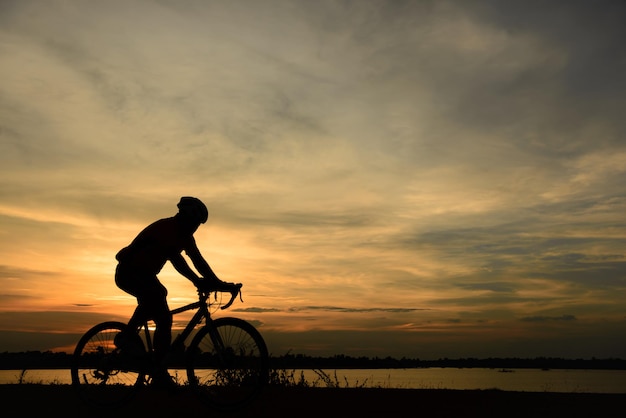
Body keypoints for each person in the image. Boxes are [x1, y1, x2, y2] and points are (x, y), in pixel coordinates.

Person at [114, 196, 232, 387]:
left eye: (198, 226)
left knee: (161, 309)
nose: (195, 228)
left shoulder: (185, 236)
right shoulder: (167, 228)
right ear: (186, 217)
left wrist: (221, 283)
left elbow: (199, 262)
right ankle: (129, 341)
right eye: (195, 223)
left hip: (145, 274)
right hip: (129, 271)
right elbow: (177, 260)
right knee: (158, 299)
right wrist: (197, 281)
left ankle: (153, 364)